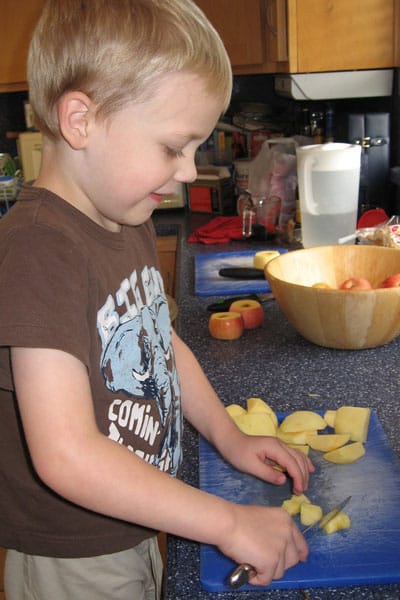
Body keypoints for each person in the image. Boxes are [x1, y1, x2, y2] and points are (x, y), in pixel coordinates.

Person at [0, 1, 315, 598]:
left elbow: (160, 342)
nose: (191, 171)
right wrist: (225, 520)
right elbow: (65, 454)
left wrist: (229, 436)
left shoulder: (126, 217)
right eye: (174, 147)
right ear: (80, 121)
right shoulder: (39, 250)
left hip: (138, 513)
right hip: (75, 554)